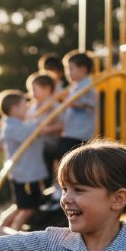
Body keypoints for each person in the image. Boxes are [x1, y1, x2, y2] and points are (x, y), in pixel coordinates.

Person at [0, 77, 61, 232]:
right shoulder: (13, 127)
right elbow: (30, 133)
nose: (28, 107)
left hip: (27, 173)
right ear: (14, 110)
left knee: (23, 205)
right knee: (28, 208)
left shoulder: (14, 123)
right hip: (25, 175)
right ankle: (9, 231)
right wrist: (39, 119)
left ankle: (1, 227)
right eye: (23, 105)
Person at [42, 52, 97, 212]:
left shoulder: (88, 86)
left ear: (83, 69)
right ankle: (59, 190)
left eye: (71, 69)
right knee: (58, 161)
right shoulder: (75, 87)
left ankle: (61, 190)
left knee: (61, 162)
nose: (68, 73)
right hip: (71, 132)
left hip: (79, 133)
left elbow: (89, 104)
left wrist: (67, 102)